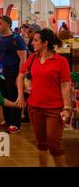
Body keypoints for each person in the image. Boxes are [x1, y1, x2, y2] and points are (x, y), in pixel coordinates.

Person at [16, 28, 72, 167]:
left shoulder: (61, 61)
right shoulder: (32, 58)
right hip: (34, 107)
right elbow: (20, 76)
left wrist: (67, 107)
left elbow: (65, 85)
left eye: (35, 40)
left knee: (54, 145)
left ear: (45, 43)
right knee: (41, 144)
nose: (32, 43)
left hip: (54, 108)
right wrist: (20, 95)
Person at [0, 15, 27, 134]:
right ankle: (8, 121)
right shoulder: (0, 38)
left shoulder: (17, 39)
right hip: (2, 74)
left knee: (15, 97)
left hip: (13, 73)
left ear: (8, 25)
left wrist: (20, 75)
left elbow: (23, 58)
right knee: (4, 98)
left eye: (0, 24)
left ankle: (15, 123)